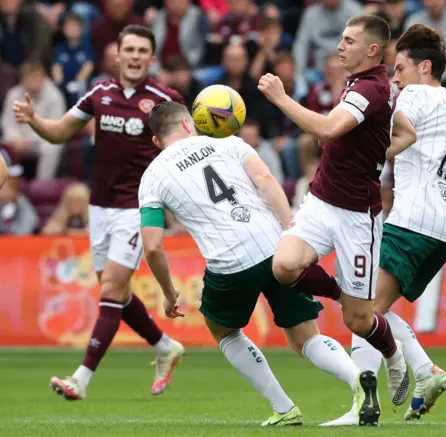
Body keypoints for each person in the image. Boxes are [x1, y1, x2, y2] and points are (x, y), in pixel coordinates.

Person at [140, 102, 380, 427]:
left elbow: (153, 245)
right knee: (305, 336)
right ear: (188, 124)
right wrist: (291, 231)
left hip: (230, 262)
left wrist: (169, 292)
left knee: (223, 329)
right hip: (274, 245)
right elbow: (266, 179)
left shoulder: (152, 177)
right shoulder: (229, 142)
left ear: (156, 142)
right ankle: (358, 381)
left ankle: (284, 408)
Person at [324, 24, 446, 426]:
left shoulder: (412, 96)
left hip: (412, 218)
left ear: (424, 66)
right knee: (369, 308)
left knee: (361, 310)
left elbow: (386, 132)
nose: (394, 78)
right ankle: (422, 370)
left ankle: (376, 399)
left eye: (399, 69)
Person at [12, 24, 185, 401]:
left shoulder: (163, 99)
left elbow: (184, 148)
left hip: (136, 207)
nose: (136, 56)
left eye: (143, 51)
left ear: (152, 59)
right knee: (117, 296)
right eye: (130, 50)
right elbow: (59, 133)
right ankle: (163, 346)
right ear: (117, 55)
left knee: (109, 290)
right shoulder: (99, 93)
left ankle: (81, 378)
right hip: (100, 207)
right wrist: (34, 120)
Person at [258, 15, 410, 410]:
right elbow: (405, 134)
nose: (339, 46)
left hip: (358, 217)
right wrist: (374, 152)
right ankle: (342, 292)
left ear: (372, 50)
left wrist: (280, 97)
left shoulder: (372, 88)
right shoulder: (374, 85)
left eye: (348, 41)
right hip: (322, 201)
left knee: (359, 321)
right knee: (284, 266)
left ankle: (393, 356)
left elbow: (326, 130)